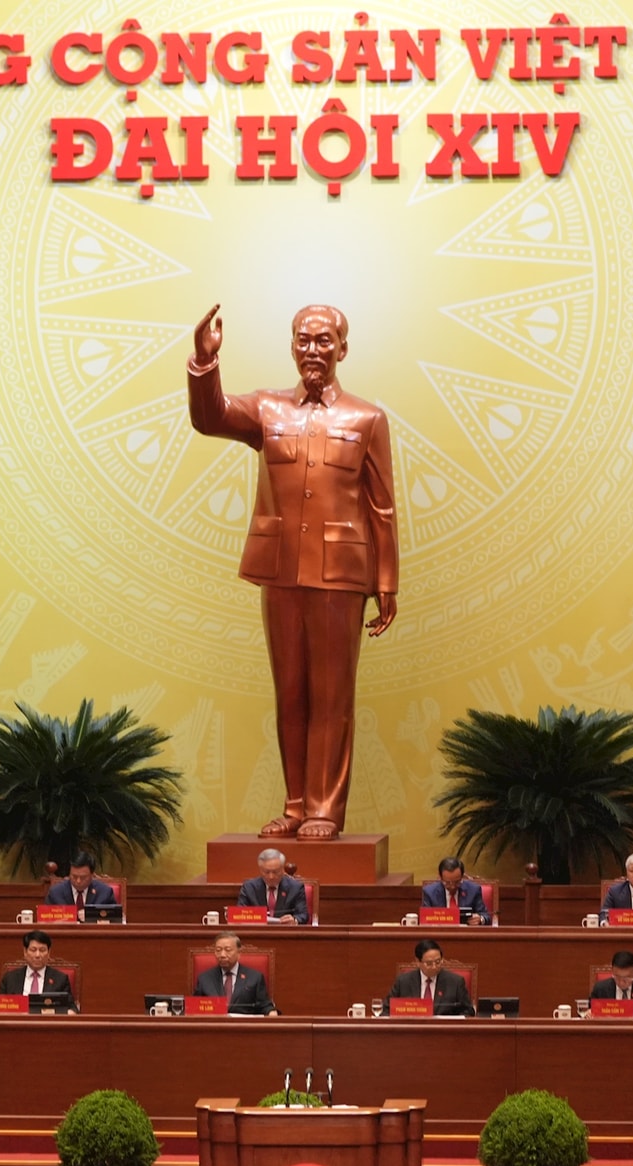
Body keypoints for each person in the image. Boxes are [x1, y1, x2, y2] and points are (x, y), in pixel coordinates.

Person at [187, 303, 399, 842]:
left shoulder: (367, 419)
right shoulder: (267, 409)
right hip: (279, 568)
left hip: (340, 576)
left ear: (343, 348)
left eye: (324, 341)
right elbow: (210, 418)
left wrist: (386, 583)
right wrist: (205, 363)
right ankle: (296, 805)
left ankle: (325, 808)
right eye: (303, 340)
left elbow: (381, 507)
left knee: (331, 697)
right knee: (291, 694)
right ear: (291, 346)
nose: (313, 350)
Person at [192, 931, 278, 1015]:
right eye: (218, 950)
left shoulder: (255, 978)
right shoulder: (204, 978)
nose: (222, 955)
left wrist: (271, 1012)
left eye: (228, 950)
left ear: (239, 952)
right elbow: (194, 1008)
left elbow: (265, 1006)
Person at [385, 938, 474, 1016]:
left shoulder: (455, 982)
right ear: (418, 962)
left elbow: (468, 1012)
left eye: (438, 962)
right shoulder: (403, 982)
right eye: (429, 963)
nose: (434, 967)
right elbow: (386, 1010)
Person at [0, 929, 77, 1011]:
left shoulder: (60, 979)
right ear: (25, 952)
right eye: (33, 950)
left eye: (42, 950)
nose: (37, 955)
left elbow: (72, 1009)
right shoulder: (10, 978)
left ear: (49, 953)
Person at [236, 848, 309, 924]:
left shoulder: (295, 888)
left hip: (284, 930)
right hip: (258, 930)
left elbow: (303, 915)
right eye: (266, 872)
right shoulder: (249, 887)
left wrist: (294, 920)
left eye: (275, 872)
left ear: (282, 870)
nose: (271, 877)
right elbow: (240, 914)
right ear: (260, 870)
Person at [44, 851, 120, 916]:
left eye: (83, 877)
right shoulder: (56, 893)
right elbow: (47, 918)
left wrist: (90, 914)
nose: (78, 881)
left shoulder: (104, 892)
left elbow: (114, 916)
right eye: (74, 876)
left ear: (92, 875)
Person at [420, 856, 491, 924]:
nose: (452, 886)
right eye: (447, 882)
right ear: (440, 878)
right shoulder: (429, 892)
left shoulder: (473, 890)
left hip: (466, 931)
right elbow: (424, 919)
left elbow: (486, 916)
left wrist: (480, 919)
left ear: (462, 877)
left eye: (457, 882)